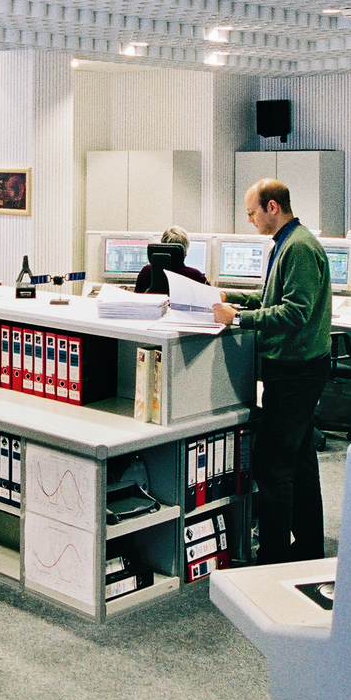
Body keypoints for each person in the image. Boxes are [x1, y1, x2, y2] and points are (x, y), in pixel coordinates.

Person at [212, 179, 332, 565]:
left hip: (296, 372)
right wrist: (232, 297)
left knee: (273, 462)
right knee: (299, 460)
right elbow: (273, 299)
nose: (250, 220)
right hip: (295, 368)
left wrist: (241, 318)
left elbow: (295, 312)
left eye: (252, 213)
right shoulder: (288, 243)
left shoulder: (297, 248)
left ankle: (274, 557)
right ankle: (309, 545)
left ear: (273, 207)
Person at [133, 226, 207, 295]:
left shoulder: (146, 272)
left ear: (162, 245)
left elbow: (136, 301)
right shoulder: (195, 276)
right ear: (185, 251)